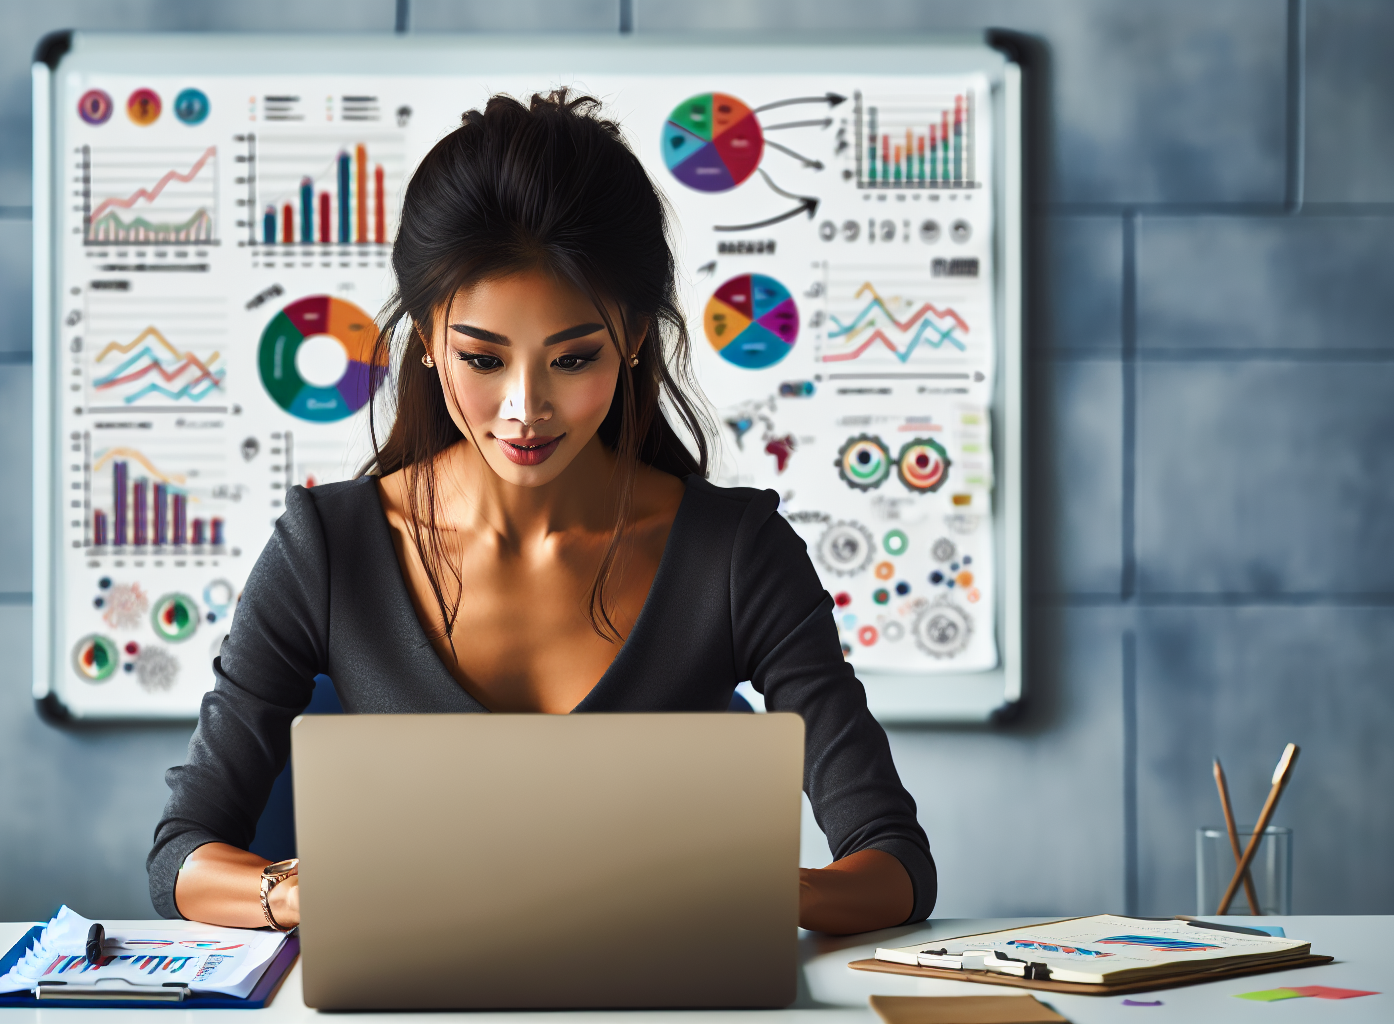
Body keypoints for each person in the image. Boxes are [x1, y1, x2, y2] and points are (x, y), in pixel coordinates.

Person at [149, 91, 933, 936]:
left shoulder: (737, 554)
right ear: (426, 334)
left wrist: (768, 892)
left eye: (573, 357)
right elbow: (180, 856)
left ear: (633, 336)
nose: (525, 409)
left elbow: (893, 862)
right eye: (482, 358)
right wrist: (292, 894)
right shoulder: (327, 548)